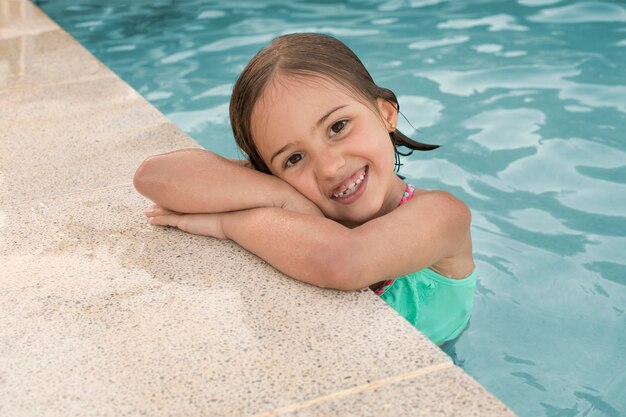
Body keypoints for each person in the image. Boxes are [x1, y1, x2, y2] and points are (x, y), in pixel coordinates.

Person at [133, 33, 475, 345]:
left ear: (386, 113)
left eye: (338, 127)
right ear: (268, 173)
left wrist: (230, 224)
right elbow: (154, 177)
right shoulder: (289, 193)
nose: (329, 167)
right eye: (294, 158)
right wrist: (279, 196)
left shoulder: (443, 215)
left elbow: (343, 262)